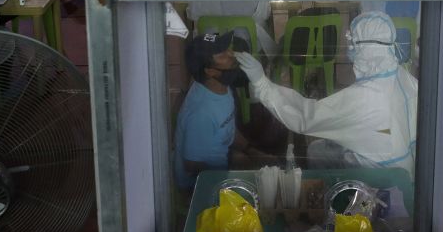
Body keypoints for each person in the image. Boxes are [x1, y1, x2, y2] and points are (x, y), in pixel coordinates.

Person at [236, 11, 418, 174]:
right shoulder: (405, 78)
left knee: (316, 151)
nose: (349, 48)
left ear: (364, 48)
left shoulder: (364, 97)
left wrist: (262, 83)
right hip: (404, 166)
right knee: (321, 148)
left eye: (352, 43)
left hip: (377, 174)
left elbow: (305, 118)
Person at [175, 32, 262, 190]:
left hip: (222, 159)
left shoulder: (219, 86)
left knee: (255, 164)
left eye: (227, 48)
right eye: (222, 54)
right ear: (210, 71)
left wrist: (251, 150)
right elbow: (191, 164)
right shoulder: (201, 112)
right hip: (198, 184)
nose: (231, 53)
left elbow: (226, 126)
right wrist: (229, 175)